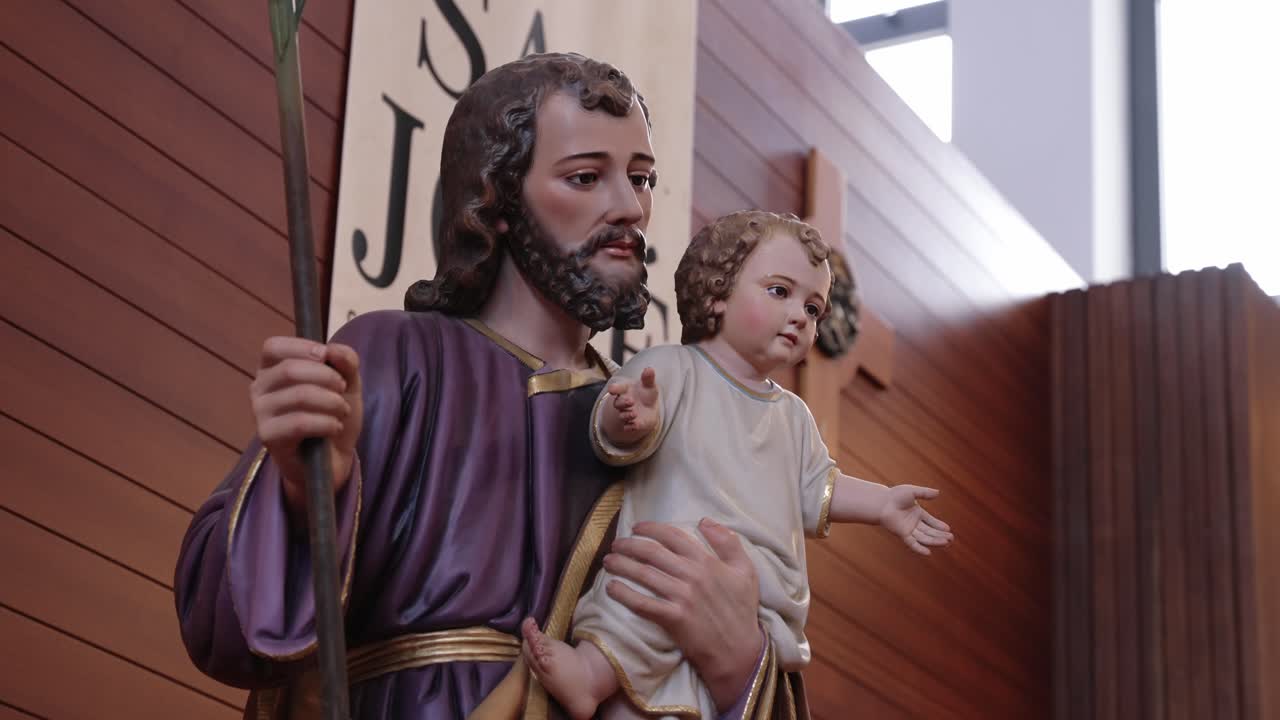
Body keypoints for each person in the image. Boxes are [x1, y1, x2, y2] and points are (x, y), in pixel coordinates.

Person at [174, 53, 767, 720]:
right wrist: (305, 493)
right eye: (585, 177)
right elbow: (221, 627)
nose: (630, 208)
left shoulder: (657, 419)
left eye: (641, 178)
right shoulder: (395, 356)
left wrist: (739, 664)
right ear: (499, 197)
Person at [520, 211, 954, 720]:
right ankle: (592, 675)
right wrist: (631, 417)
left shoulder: (793, 417)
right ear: (718, 291)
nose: (800, 316)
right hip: (670, 565)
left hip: (762, 592)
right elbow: (613, 432)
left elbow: (818, 486)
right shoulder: (675, 369)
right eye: (780, 292)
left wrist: (883, 503)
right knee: (636, 600)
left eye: (814, 308)